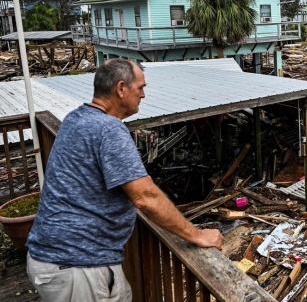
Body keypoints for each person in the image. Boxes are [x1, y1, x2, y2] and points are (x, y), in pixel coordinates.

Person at [26, 59, 223, 302]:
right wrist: (197, 235)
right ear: (121, 88)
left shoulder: (76, 118)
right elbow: (145, 197)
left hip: (58, 258)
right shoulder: (108, 129)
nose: (144, 94)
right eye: (140, 87)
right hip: (77, 263)